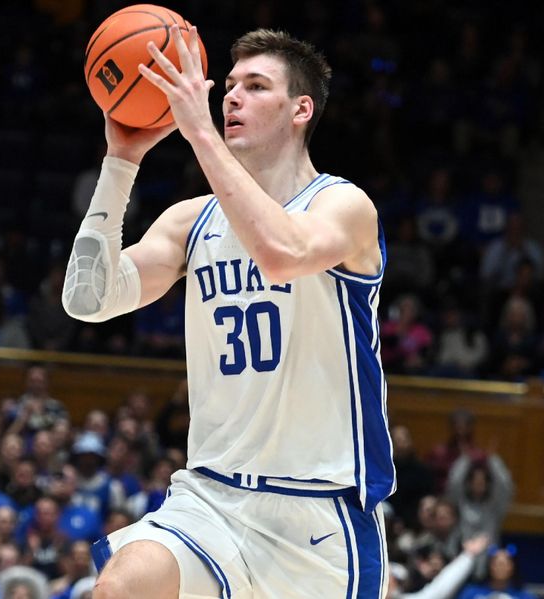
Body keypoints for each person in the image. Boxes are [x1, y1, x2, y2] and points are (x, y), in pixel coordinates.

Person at [62, 26, 393, 598]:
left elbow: (283, 253)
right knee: (120, 587)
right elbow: (87, 301)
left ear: (300, 109)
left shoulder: (343, 205)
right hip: (209, 500)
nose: (231, 97)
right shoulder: (191, 221)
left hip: (315, 516)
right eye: (230, 85)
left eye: (257, 86)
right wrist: (121, 160)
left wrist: (195, 131)